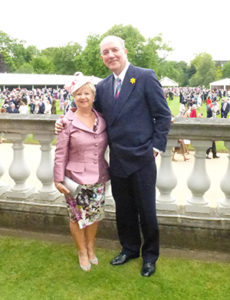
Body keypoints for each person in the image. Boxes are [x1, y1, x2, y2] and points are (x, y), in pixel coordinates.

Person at [56, 35, 171, 277]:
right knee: (124, 210)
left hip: (142, 158)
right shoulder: (104, 86)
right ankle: (129, 249)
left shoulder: (145, 76)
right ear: (102, 57)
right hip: (117, 160)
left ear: (124, 51)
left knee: (147, 211)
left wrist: (156, 148)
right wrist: (64, 119)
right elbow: (86, 110)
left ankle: (150, 256)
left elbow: (163, 115)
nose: (111, 55)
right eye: (106, 52)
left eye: (114, 50)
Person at [53, 75, 109, 272]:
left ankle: (91, 247)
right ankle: (82, 251)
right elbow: (60, 153)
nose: (83, 97)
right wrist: (58, 179)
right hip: (74, 179)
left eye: (86, 93)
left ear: (93, 96)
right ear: (73, 97)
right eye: (78, 94)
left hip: (99, 176)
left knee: (94, 215)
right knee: (77, 217)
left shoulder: (102, 119)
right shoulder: (66, 122)